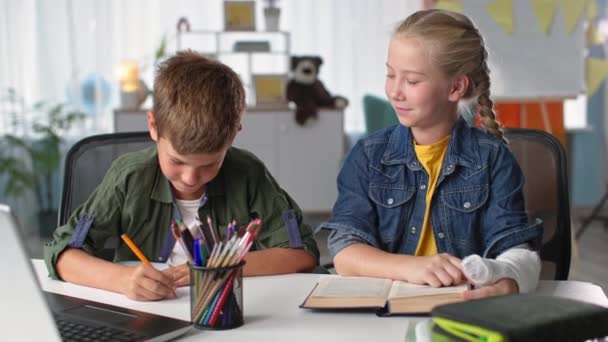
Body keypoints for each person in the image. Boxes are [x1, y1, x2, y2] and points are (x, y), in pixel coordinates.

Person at [45, 50, 319, 301]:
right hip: (148, 316)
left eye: (210, 163)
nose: (190, 178)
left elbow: (302, 254)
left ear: (235, 131)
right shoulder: (128, 176)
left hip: (227, 312)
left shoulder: (248, 173)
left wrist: (217, 266)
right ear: (153, 126)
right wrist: (123, 280)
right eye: (177, 161)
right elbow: (62, 255)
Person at [318, 9, 542, 300]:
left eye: (411, 81)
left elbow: (517, 252)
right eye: (390, 74)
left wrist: (507, 281)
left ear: (455, 87)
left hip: (461, 312)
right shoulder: (368, 156)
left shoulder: (493, 159)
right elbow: (345, 254)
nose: (395, 91)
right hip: (383, 313)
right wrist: (412, 267)